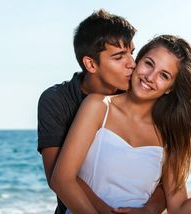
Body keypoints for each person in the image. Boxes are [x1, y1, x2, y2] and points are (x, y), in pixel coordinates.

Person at [52, 35, 191, 213]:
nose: (150, 77)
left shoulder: (169, 134)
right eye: (148, 64)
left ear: (170, 88)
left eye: (163, 75)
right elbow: (62, 179)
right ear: (137, 61)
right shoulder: (98, 106)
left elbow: (180, 210)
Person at [37, 9, 166, 214]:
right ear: (90, 64)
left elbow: (166, 179)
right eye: (119, 57)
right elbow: (57, 176)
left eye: (131, 53)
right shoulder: (56, 100)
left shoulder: (141, 93)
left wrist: (149, 210)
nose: (132, 64)